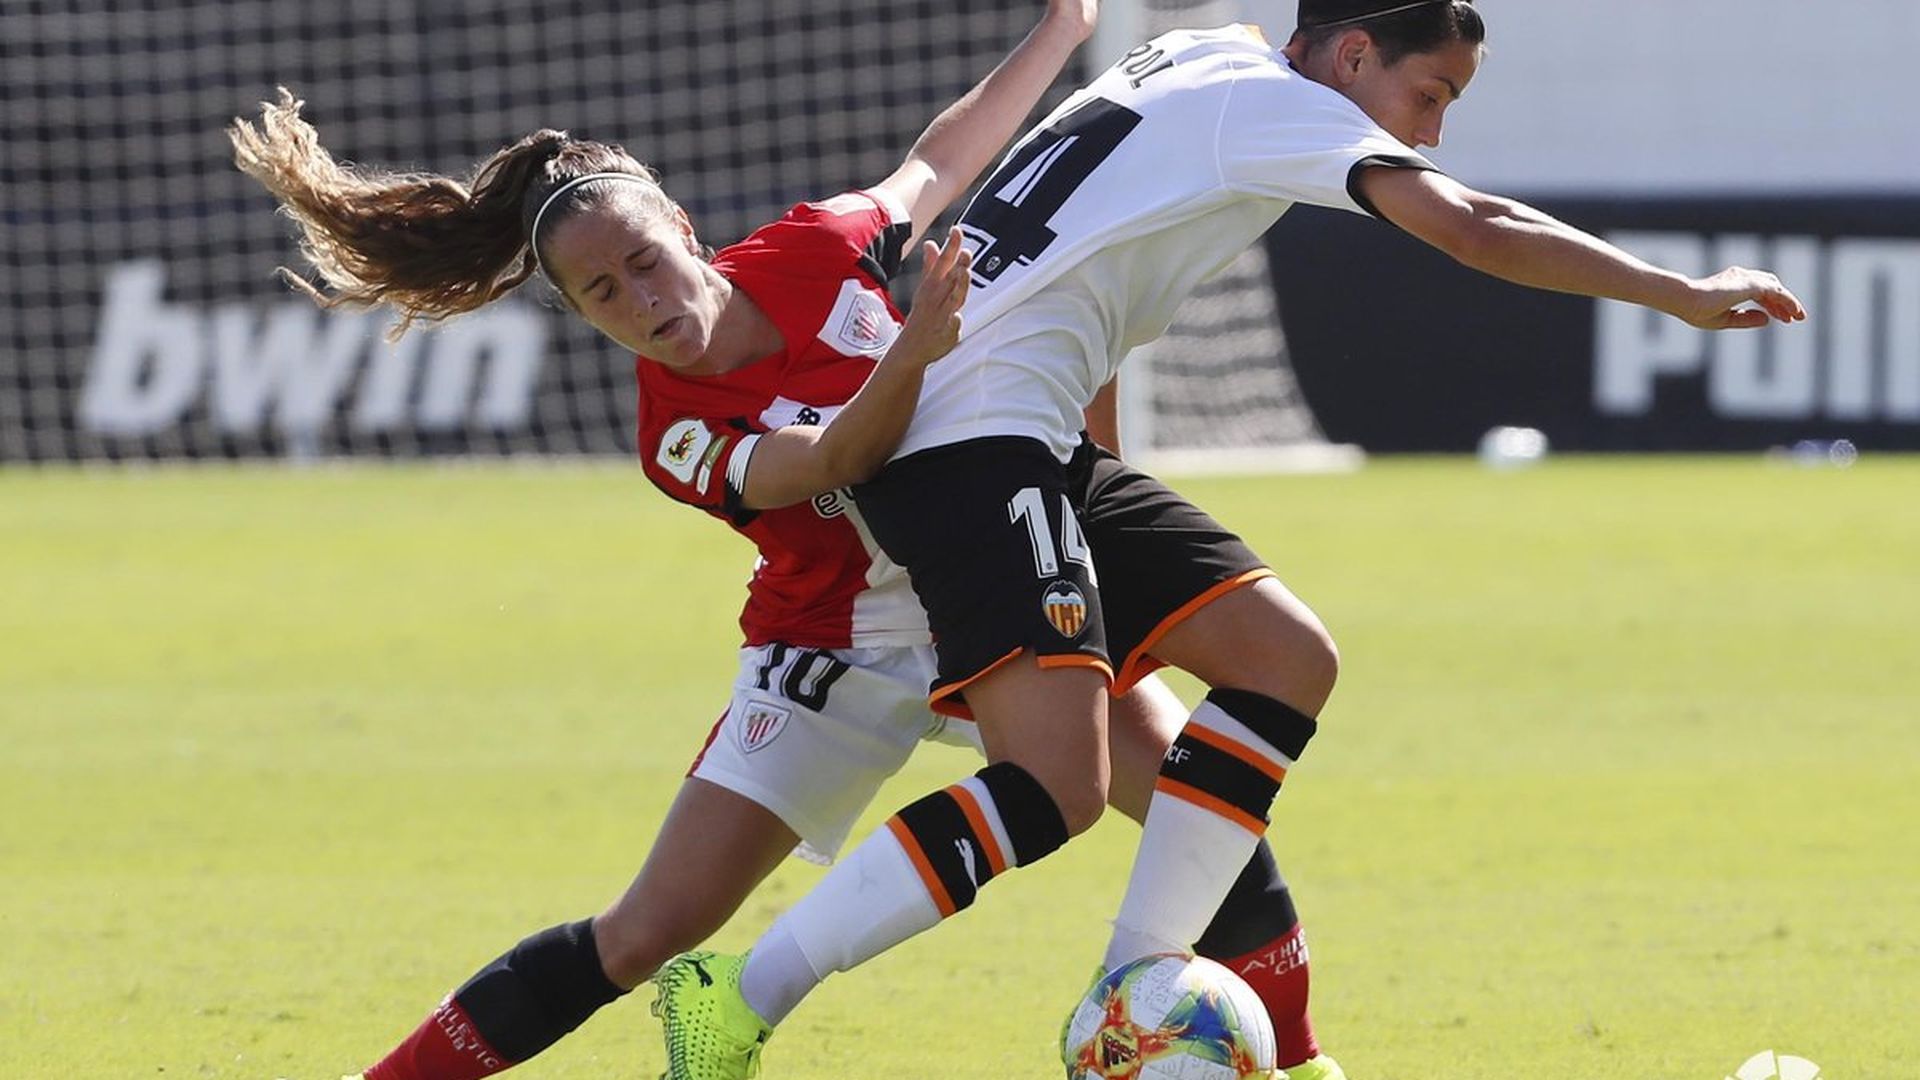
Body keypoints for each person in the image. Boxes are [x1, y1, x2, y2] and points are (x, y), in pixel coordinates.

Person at [653, 0, 1810, 1076]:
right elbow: (1472, 227)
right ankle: (740, 994)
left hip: (1027, 436)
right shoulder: (1283, 105)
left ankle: (1134, 984)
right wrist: (1680, 293)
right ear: (1352, 54)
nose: (1436, 128)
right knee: (1056, 785)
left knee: (1286, 655)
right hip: (969, 443)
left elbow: (1079, 259)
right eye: (1431, 94)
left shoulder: (1205, 50)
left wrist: (1094, 461)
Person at [228, 4, 1342, 1079]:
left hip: (987, 577)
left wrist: (1060, 30)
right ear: (579, 312)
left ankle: (1297, 1061)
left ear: (683, 227)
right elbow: (827, 465)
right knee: (645, 932)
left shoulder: (813, 249)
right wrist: (913, 354)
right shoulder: (674, 430)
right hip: (838, 646)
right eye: (603, 295)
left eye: (646, 263)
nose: (643, 302)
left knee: (1204, 802)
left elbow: (934, 165)